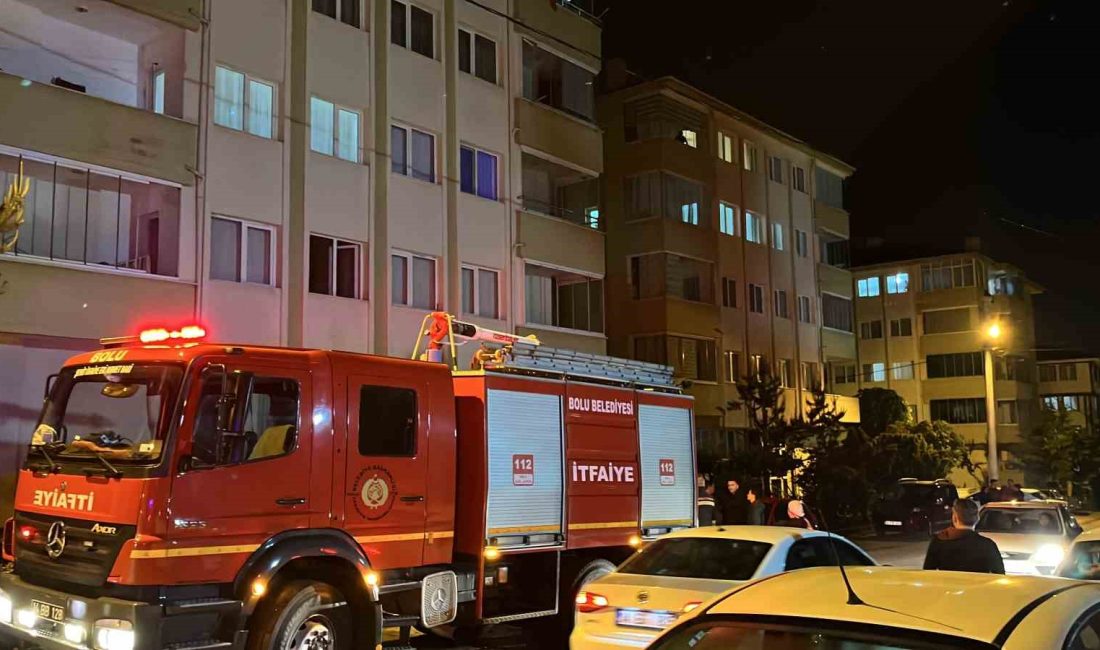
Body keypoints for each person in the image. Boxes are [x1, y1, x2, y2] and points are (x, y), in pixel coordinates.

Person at [923, 498, 1005, 574]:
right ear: (977, 519)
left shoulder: (939, 541)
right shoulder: (988, 545)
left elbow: (928, 572)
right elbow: (999, 575)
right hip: (977, 588)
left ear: (955, 518)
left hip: (947, 588)